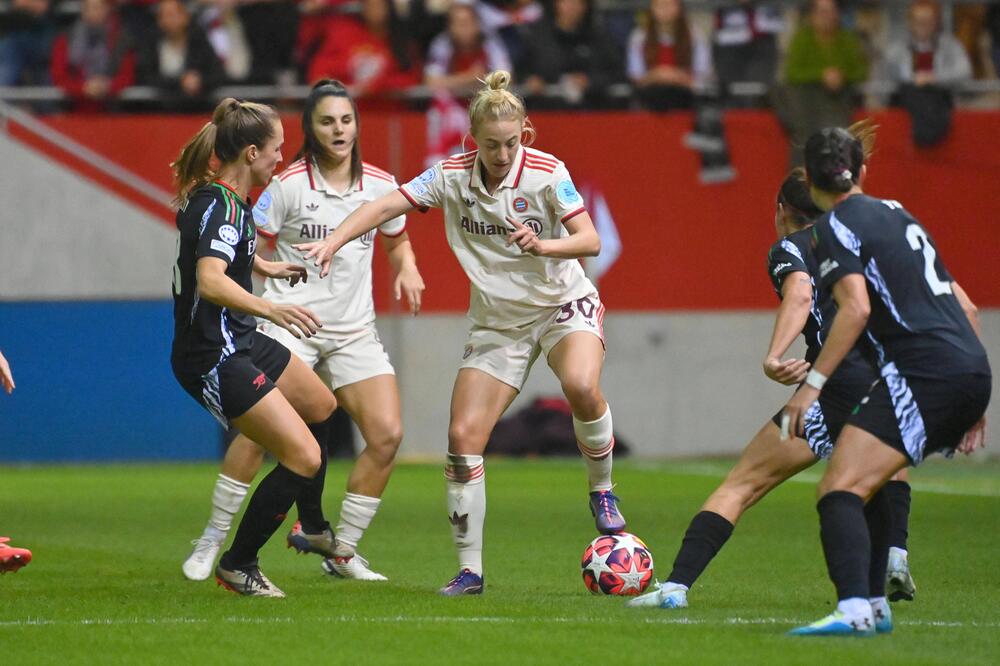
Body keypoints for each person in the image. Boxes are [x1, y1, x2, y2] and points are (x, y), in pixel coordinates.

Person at [299, 70, 627, 596]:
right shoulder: (450, 175)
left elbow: (588, 239)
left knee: (582, 387)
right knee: (461, 440)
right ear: (474, 140)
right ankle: (470, 571)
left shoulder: (547, 173)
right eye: (492, 144)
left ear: (528, 134)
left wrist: (544, 246)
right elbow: (386, 205)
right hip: (498, 322)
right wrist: (336, 239)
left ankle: (602, 491)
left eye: (512, 142)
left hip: (561, 304)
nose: (502, 154)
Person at [182, 80, 425, 583]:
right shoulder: (280, 187)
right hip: (284, 322)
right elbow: (226, 264)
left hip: (352, 328)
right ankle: (217, 540)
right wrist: (270, 298)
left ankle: (334, 545)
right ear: (308, 131)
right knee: (267, 437)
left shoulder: (380, 184)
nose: (338, 130)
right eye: (326, 121)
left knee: (378, 431)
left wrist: (407, 267)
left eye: (346, 119)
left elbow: (395, 239)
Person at [626, 157, 885, 610]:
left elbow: (801, 291)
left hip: (830, 391)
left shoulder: (791, 247)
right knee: (876, 481)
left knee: (742, 484)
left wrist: (773, 356)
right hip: (887, 383)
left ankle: (674, 589)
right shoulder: (860, 244)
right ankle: (893, 563)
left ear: (781, 207)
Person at [784, 127, 990, 636]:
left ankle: (854, 608)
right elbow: (964, 305)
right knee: (866, 484)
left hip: (923, 373)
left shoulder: (833, 228)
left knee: (839, 487)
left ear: (808, 180)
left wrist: (812, 384)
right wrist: (972, 399)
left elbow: (855, 307)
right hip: (966, 366)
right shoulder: (898, 213)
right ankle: (874, 605)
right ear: (864, 173)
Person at [170, 97, 338, 597]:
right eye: (275, 150)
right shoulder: (222, 207)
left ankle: (313, 526)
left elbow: (221, 254)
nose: (280, 159)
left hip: (236, 338)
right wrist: (272, 308)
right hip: (213, 355)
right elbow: (211, 280)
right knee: (304, 456)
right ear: (248, 153)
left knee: (321, 405)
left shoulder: (222, 199)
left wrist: (262, 268)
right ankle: (239, 563)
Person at [883, 0, 972, 147]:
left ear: (936, 22)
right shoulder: (896, 49)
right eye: (919, 21)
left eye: (928, 21)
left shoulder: (950, 45)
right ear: (910, 22)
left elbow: (964, 71)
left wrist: (934, 78)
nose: (923, 25)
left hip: (940, 97)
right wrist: (914, 79)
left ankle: (929, 133)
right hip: (907, 100)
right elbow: (888, 77)